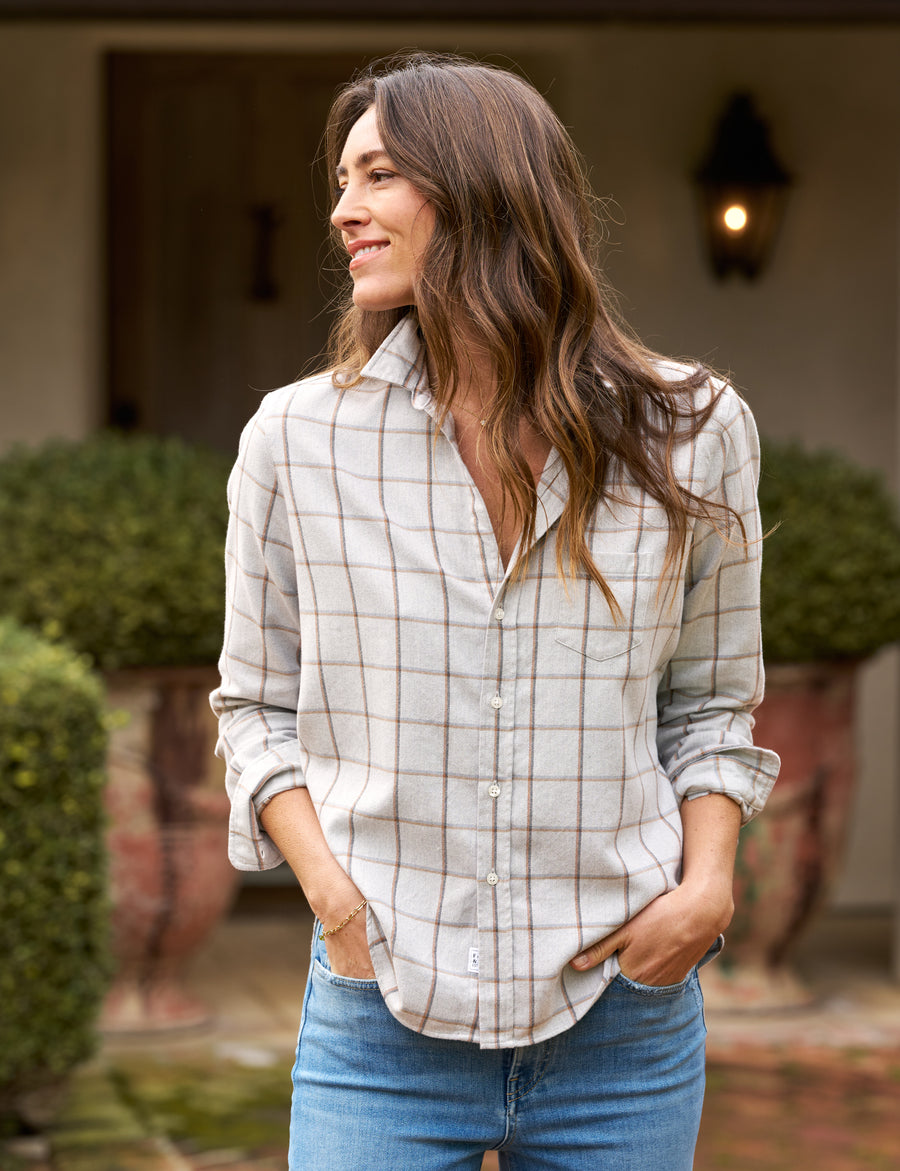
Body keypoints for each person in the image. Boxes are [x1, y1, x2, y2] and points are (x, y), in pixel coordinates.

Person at [211, 52, 780, 1171]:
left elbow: (714, 701)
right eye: (342, 179)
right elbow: (252, 706)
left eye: (376, 176)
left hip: (624, 1024)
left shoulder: (693, 428)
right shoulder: (296, 441)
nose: (341, 209)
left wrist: (708, 889)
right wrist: (336, 904)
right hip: (380, 1022)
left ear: (478, 189)